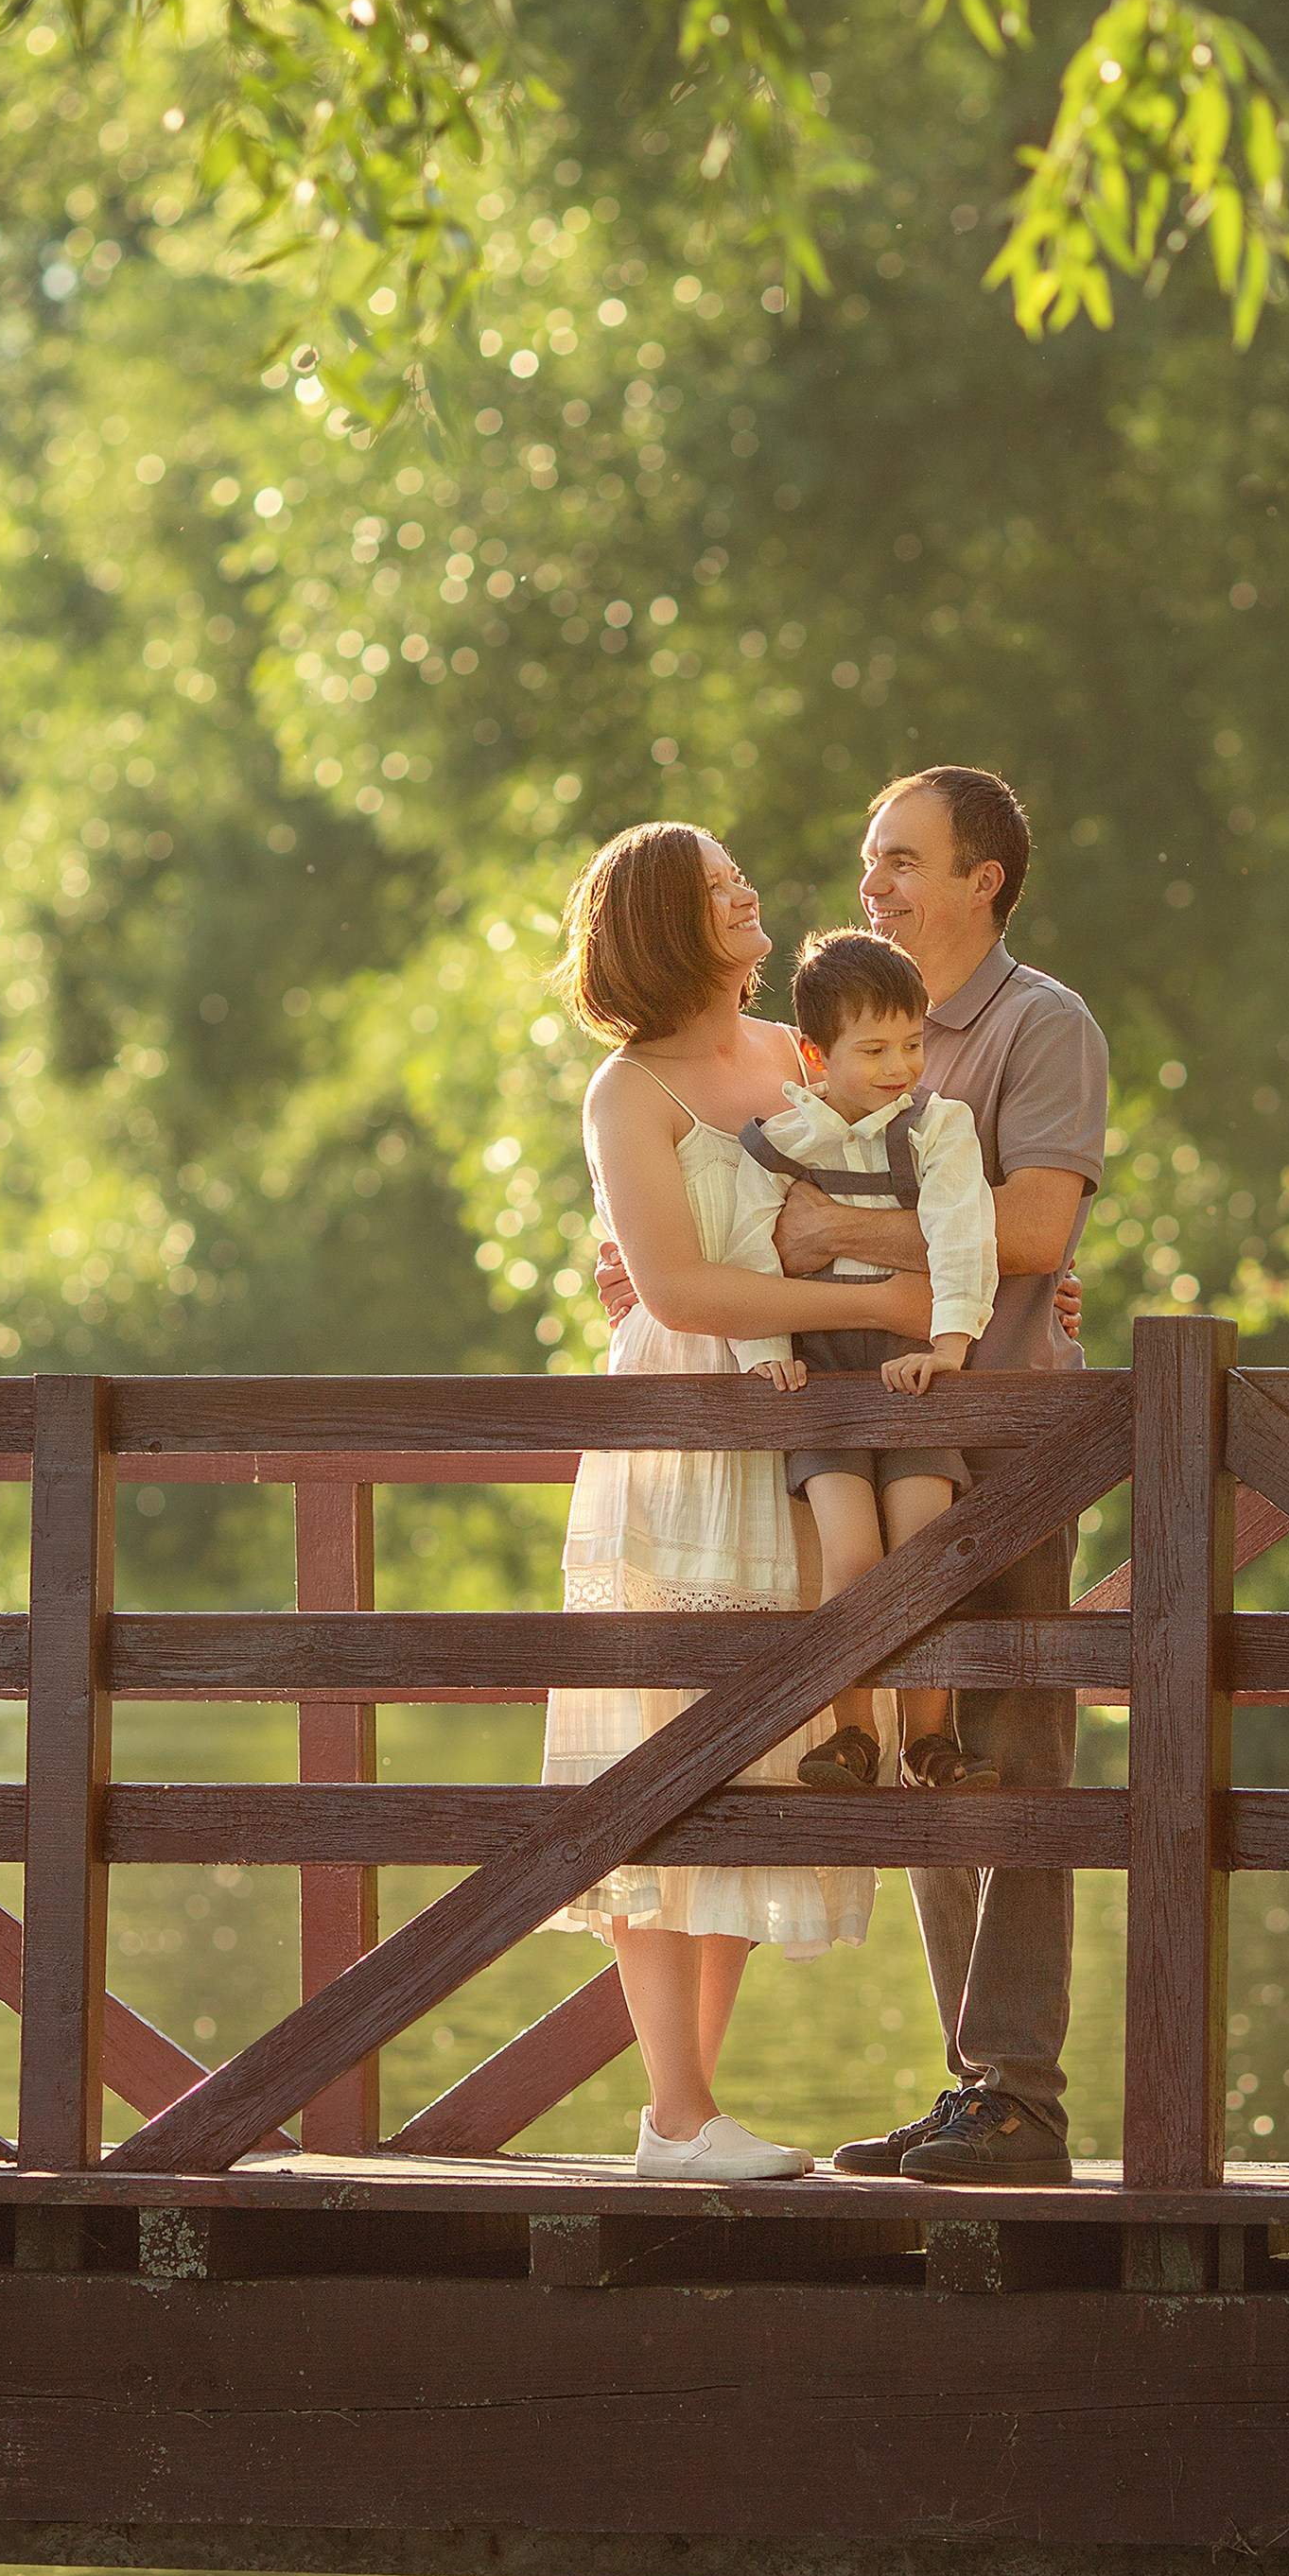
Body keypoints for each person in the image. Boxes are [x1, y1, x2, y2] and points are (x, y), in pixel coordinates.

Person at [594, 768, 1108, 2186]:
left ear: (980, 879)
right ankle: (969, 2092)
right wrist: (656, 1270)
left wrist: (847, 1249)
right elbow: (727, 1196)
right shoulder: (838, 1027)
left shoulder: (1037, 1025)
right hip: (831, 1433)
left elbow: (1029, 1226)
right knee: (920, 1762)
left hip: (995, 1436)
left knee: (1018, 1765)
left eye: (900, 859)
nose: (867, 881)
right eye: (869, 856)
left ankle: (1022, 2099)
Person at [541, 820, 937, 2185]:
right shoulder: (628, 1090)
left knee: (760, 1755)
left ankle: (686, 2118)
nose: (749, 893)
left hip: (798, 1411)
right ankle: (676, 2113)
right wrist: (880, 1298)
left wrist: (989, 1283)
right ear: (664, 923)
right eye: (718, 889)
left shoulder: (792, 1053)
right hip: (684, 1421)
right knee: (665, 1764)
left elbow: (895, 1183)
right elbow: (678, 1290)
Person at [727, 926, 999, 1798]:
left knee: (923, 1544)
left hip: (914, 1362)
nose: (899, 1066)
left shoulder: (938, 1128)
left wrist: (950, 1342)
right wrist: (767, 1352)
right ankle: (851, 1732)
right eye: (874, 1048)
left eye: (913, 1044)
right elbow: (747, 1248)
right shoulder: (780, 1139)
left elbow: (964, 1229)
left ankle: (928, 1737)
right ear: (815, 1052)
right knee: (851, 1558)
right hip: (822, 1372)